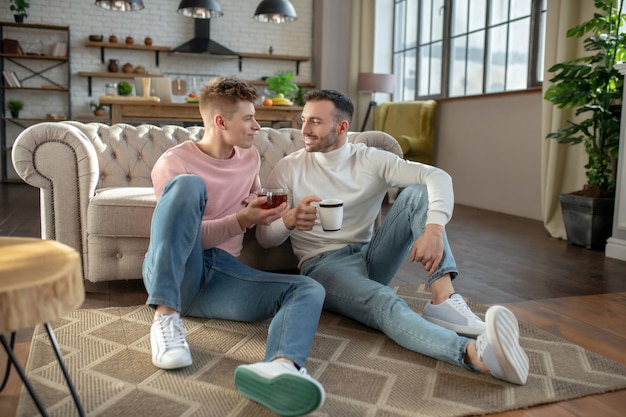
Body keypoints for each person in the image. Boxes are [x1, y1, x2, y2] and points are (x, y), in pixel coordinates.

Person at [256, 89, 529, 385]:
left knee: (418, 191)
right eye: (304, 120)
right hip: (323, 267)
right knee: (386, 301)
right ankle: (474, 354)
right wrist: (290, 220)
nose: (305, 130)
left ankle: (443, 299)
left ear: (342, 127)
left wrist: (434, 229)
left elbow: (439, 177)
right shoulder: (289, 168)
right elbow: (264, 239)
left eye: (316, 122)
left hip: (371, 255)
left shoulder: (370, 159)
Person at [142, 77, 326, 416]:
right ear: (220, 121)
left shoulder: (249, 157)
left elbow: (251, 202)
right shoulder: (173, 163)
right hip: (179, 269)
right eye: (249, 119)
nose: (257, 126)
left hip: (223, 275)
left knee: (309, 289)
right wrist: (241, 219)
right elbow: (180, 239)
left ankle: (281, 365)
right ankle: (165, 317)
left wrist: (275, 214)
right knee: (188, 186)